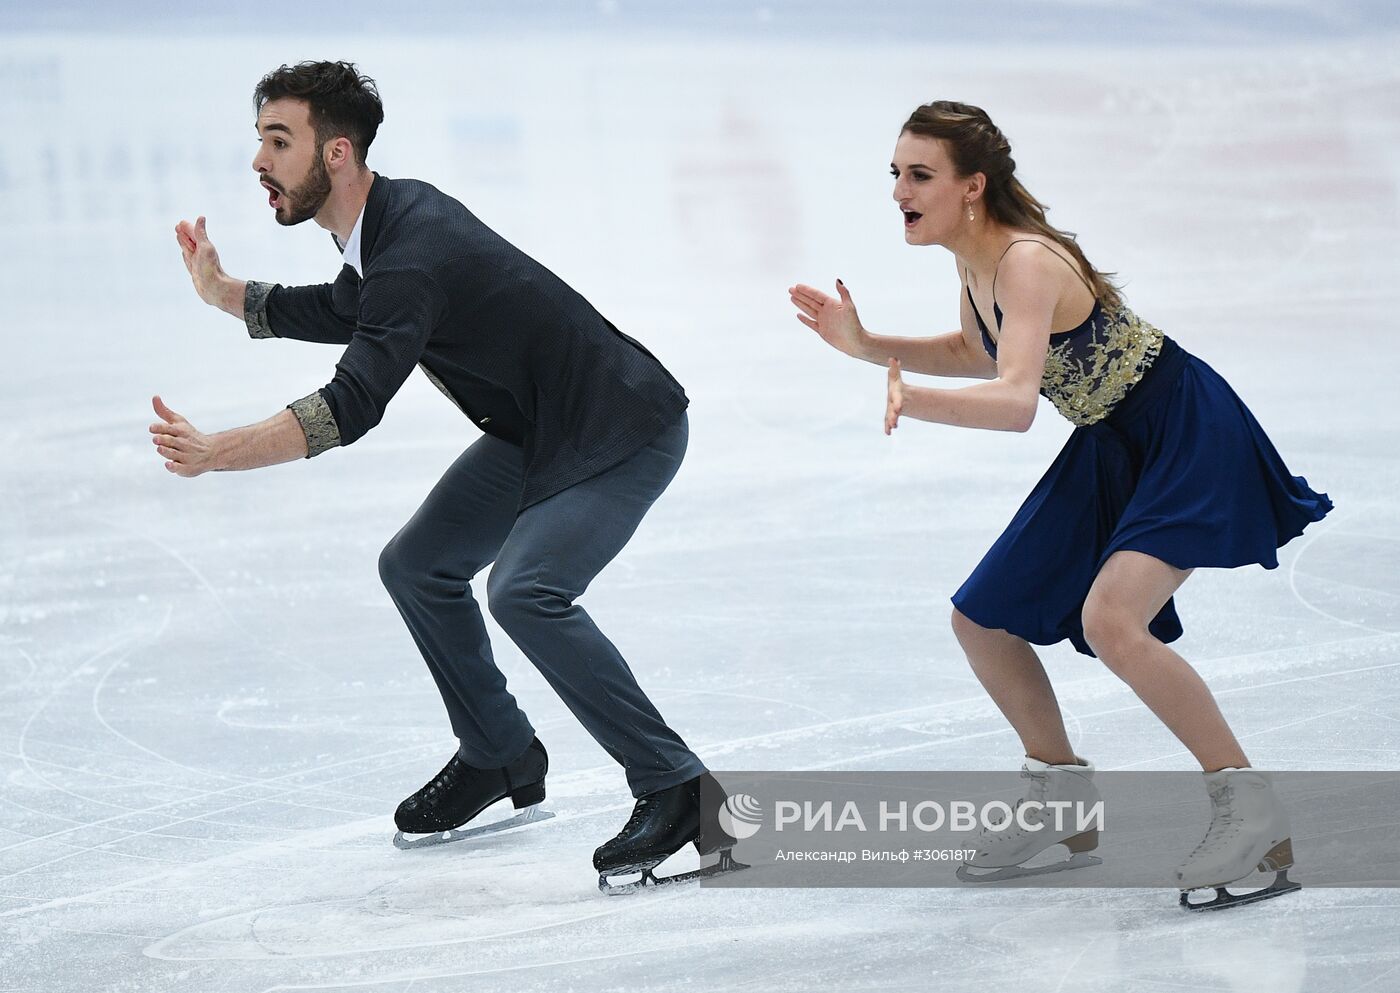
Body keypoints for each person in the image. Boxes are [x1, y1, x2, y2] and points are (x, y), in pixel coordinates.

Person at [154, 60, 734, 890]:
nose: (259, 161)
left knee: (526, 589)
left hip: (621, 424)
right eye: (260, 141)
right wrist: (225, 295)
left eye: (279, 141)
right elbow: (347, 307)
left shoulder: (411, 246)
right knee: (417, 565)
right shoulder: (385, 229)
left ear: (339, 154)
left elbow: (353, 402)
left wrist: (221, 451)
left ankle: (678, 785)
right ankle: (498, 750)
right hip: (540, 429)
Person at [789, 100, 1328, 910]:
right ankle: (1060, 797)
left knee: (1114, 621)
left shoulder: (1025, 262)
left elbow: (1014, 403)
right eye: (896, 173)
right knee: (981, 618)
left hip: (1182, 430)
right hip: (1112, 441)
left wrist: (910, 396)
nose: (899, 189)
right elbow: (981, 351)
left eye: (919, 174)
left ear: (972, 186)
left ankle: (1251, 812)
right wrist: (867, 347)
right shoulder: (972, 258)